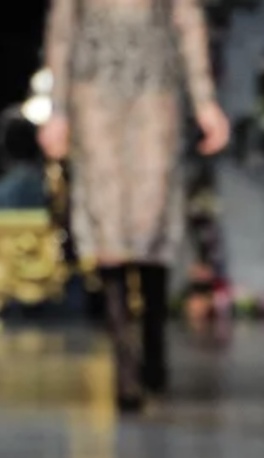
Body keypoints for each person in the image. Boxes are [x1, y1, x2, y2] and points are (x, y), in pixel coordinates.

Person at [37, 0, 230, 410]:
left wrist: (204, 101)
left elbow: (187, 20)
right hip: (93, 91)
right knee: (106, 215)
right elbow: (62, 30)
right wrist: (56, 110)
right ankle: (125, 364)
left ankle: (154, 343)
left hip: (154, 89)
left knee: (151, 214)